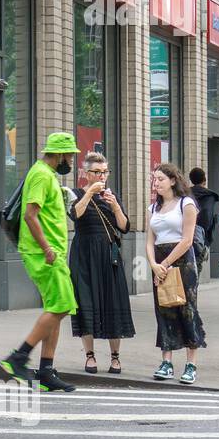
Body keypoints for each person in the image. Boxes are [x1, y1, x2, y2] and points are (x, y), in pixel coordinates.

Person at [0, 132, 79, 392]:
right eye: (68, 155)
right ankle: (18, 358)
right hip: (45, 253)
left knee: (56, 308)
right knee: (61, 305)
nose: (70, 160)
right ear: (57, 154)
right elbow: (30, 216)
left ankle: (46, 371)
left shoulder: (48, 176)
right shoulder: (42, 175)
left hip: (52, 252)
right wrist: (47, 249)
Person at [68, 151, 134, 373]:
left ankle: (115, 357)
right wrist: (89, 194)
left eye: (105, 172)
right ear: (86, 173)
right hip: (84, 254)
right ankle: (90, 356)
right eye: (97, 172)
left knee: (112, 301)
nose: (102, 176)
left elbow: (124, 226)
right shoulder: (75, 193)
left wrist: (114, 205)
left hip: (108, 254)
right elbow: (75, 215)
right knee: (85, 301)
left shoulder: (111, 195)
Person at [146, 164, 206, 383]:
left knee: (186, 309)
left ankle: (191, 364)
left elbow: (187, 239)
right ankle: (166, 361)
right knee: (163, 309)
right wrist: (154, 264)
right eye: (154, 179)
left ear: (172, 180)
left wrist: (166, 264)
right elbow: (150, 241)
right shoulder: (152, 208)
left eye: (160, 179)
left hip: (182, 260)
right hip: (160, 261)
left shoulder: (186, 204)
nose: (156, 183)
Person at [188, 167, 219, 268]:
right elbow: (207, 216)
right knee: (197, 265)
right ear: (204, 180)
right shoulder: (209, 196)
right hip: (201, 234)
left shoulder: (185, 194)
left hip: (184, 231)